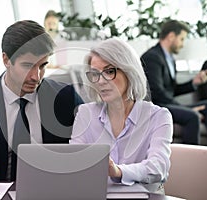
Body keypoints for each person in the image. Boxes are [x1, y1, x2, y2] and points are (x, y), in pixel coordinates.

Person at [0, 20, 84, 186]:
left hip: (55, 190)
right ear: (6, 60)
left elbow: (91, 147)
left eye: (42, 66)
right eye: (27, 66)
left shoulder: (65, 98)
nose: (36, 76)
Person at [70, 38, 173, 192]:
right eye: (95, 74)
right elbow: (75, 162)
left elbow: (159, 168)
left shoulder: (159, 116)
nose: (101, 81)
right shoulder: (85, 113)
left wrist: (118, 171)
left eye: (109, 71)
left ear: (129, 71)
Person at [141, 20, 207, 146]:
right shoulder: (152, 57)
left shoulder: (169, 59)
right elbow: (157, 92)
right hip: (158, 107)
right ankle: (191, 160)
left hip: (168, 103)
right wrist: (184, 108)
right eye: (182, 39)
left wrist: (194, 82)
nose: (183, 44)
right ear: (171, 36)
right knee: (192, 116)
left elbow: (172, 90)